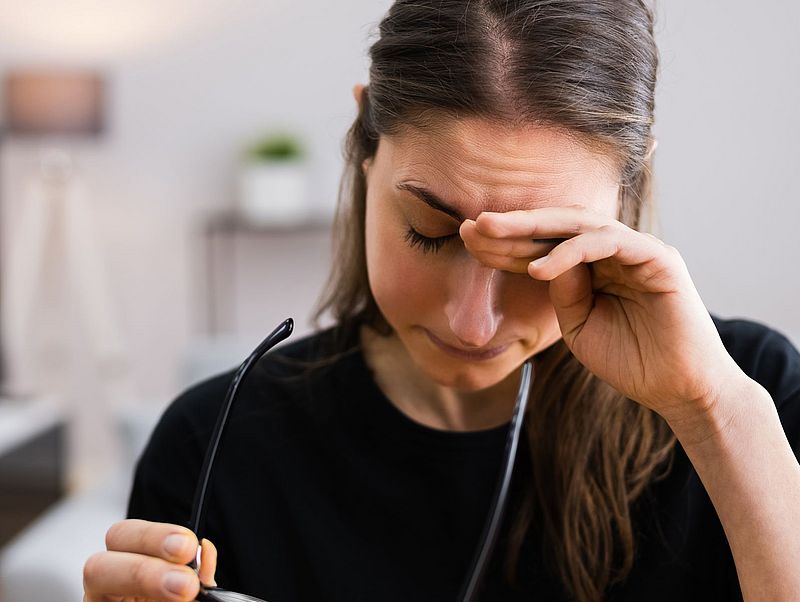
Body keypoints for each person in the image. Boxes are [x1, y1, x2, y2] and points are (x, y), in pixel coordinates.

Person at [82, 1, 800, 601]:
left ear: (627, 192)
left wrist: (715, 415)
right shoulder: (215, 443)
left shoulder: (746, 395)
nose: (472, 320)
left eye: (538, 251)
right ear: (365, 141)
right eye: (429, 232)